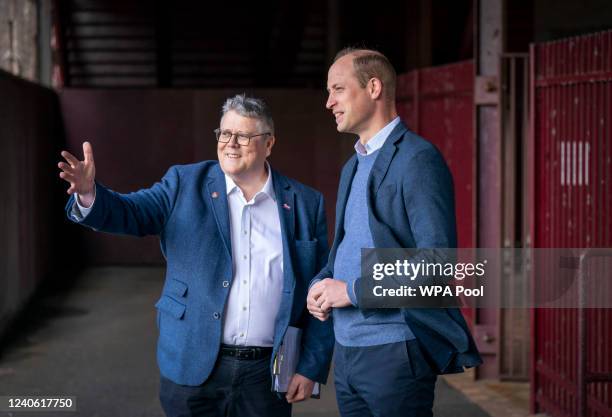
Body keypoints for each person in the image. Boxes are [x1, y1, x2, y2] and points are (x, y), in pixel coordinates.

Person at [59, 94, 334, 417]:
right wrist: (91, 193)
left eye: (243, 136)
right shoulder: (184, 184)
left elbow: (320, 290)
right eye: (224, 134)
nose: (230, 144)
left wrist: (311, 366)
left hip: (266, 372)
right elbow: (132, 212)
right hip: (193, 362)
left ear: (269, 143)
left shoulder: (304, 202)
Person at [307, 48, 482, 417]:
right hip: (349, 351)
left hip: (396, 352)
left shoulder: (417, 159)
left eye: (338, 89)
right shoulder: (352, 166)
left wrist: (351, 291)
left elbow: (437, 263)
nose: (329, 103)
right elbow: (346, 250)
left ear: (373, 87)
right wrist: (322, 284)